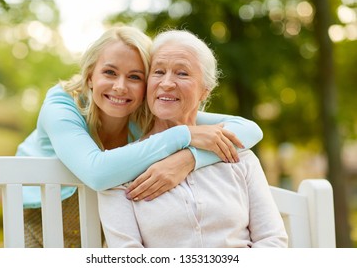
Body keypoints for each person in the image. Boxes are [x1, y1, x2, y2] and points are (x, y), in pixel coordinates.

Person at [16, 26, 263, 247]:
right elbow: (98, 172)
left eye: (135, 77)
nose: (120, 87)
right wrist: (185, 135)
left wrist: (189, 159)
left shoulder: (141, 111)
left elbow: (248, 129)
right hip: (39, 217)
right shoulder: (61, 105)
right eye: (110, 73)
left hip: (98, 228)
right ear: (90, 76)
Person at [97, 29, 288, 248]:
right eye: (158, 72)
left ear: (205, 90)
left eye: (182, 73)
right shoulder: (121, 169)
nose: (167, 83)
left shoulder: (240, 158)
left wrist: (189, 158)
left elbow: (272, 240)